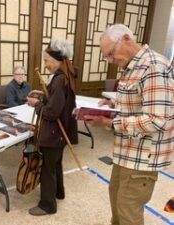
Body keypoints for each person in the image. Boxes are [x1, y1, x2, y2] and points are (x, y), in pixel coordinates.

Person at [84, 24, 174, 225]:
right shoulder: (132, 66)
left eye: (110, 53)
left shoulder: (153, 67)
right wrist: (114, 104)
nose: (110, 60)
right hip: (126, 153)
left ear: (126, 39)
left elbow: (157, 119)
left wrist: (110, 121)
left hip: (142, 157)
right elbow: (139, 101)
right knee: (117, 202)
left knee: (128, 213)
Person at [26, 39, 78, 216]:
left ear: (56, 60)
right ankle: (58, 192)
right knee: (55, 163)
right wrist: (43, 96)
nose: (46, 64)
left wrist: (36, 104)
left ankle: (47, 205)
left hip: (55, 132)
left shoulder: (59, 80)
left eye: (47, 60)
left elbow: (52, 113)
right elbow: (58, 102)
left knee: (48, 168)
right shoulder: (67, 75)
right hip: (62, 132)